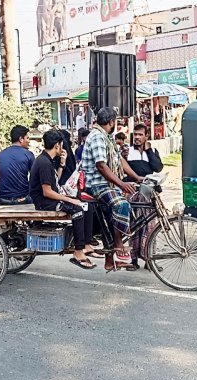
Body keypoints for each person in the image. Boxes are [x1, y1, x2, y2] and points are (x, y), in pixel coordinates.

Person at [81, 107, 144, 272]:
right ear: (111, 122)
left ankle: (110, 260)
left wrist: (137, 177)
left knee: (112, 220)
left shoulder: (107, 137)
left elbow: (120, 160)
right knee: (122, 205)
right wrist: (122, 184)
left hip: (107, 184)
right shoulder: (96, 137)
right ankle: (118, 244)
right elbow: (101, 166)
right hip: (96, 185)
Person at [30, 130, 97, 269]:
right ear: (57, 146)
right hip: (44, 202)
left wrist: (62, 164)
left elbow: (55, 182)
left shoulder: (47, 160)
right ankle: (78, 251)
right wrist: (70, 200)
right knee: (77, 209)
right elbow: (47, 192)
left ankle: (86, 244)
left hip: (50, 198)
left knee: (88, 205)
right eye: (61, 145)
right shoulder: (44, 163)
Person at [123, 124, 164, 270]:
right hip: (133, 192)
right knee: (134, 227)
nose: (137, 138)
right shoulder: (127, 152)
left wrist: (148, 151)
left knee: (151, 227)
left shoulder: (152, 151)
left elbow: (158, 167)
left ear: (146, 136)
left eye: (140, 135)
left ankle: (150, 260)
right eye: (135, 134)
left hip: (149, 193)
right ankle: (133, 260)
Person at [0, 125, 34, 205]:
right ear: (21, 139)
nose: (29, 141)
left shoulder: (0, 154)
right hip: (23, 198)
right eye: (27, 138)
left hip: (3, 199)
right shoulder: (28, 154)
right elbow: (35, 177)